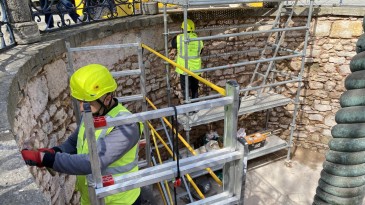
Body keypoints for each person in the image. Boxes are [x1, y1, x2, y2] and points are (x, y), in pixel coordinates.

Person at [21, 64, 143, 205]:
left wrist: (45, 158)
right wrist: (55, 151)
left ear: (107, 99)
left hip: (120, 200)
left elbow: (91, 162)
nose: (81, 107)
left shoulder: (127, 126)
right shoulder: (91, 114)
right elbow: (74, 143)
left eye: (86, 102)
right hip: (93, 198)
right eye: (79, 101)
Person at [171, 19, 204, 100]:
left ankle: (187, 109)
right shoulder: (199, 40)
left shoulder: (179, 38)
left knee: (185, 90)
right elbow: (200, 52)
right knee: (194, 89)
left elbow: (173, 44)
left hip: (184, 69)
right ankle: (195, 106)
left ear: (182, 29)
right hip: (196, 69)